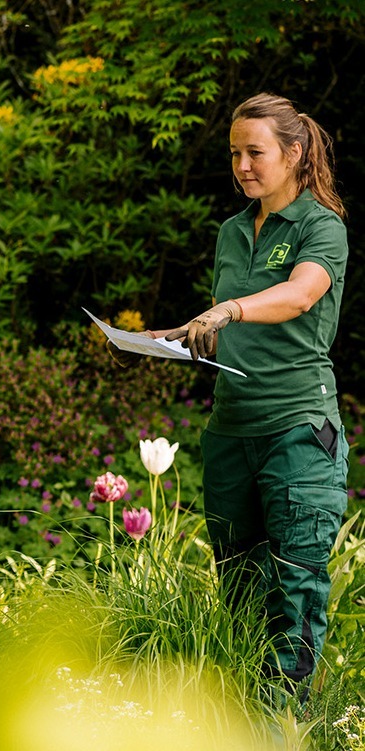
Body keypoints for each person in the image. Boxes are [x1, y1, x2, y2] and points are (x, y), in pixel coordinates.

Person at [161, 92, 349, 701]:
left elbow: (298, 296)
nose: (243, 165)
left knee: (294, 585)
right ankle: (238, 719)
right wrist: (160, 341)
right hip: (230, 433)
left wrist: (232, 307)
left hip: (297, 432)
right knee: (239, 587)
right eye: (235, 153)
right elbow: (225, 329)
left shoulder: (323, 225)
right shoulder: (232, 231)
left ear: (293, 154)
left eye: (256, 152)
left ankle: (283, 725)